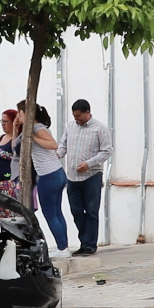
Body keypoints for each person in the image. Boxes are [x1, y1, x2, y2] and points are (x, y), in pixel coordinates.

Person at [56, 99, 113, 256]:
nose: (77, 119)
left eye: (79, 116)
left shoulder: (100, 128)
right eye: (74, 116)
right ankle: (83, 241)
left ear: (88, 113)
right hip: (72, 177)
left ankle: (90, 245)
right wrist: (57, 155)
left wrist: (89, 164)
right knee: (76, 211)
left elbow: (107, 151)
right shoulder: (70, 126)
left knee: (91, 211)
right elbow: (63, 145)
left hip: (91, 176)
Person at [18, 101, 69, 258]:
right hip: (56, 173)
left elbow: (53, 144)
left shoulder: (37, 129)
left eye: (19, 113)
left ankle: (62, 248)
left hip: (49, 175)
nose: (18, 117)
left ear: (27, 114)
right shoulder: (33, 128)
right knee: (57, 212)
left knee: (50, 214)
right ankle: (63, 246)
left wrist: (32, 137)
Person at [0, 109, 20, 201]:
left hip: (9, 181)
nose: (3, 124)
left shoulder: (17, 138)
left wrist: (15, 129)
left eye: (6, 121)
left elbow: (16, 152)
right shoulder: (0, 138)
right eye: (2, 121)